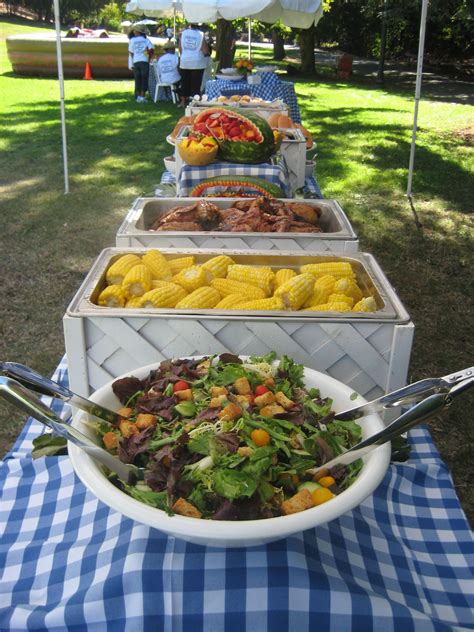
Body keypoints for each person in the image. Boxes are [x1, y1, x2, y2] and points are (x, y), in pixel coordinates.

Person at [178, 23, 209, 107]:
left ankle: (183, 101)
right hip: (197, 62)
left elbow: (180, 48)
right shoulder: (201, 34)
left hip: (185, 61)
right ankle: (195, 102)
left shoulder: (183, 33)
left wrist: (184, 55)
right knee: (196, 84)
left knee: (184, 82)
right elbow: (205, 50)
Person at [128, 26, 155, 103]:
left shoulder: (132, 40)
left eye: (135, 31)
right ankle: (142, 96)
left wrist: (134, 59)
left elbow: (131, 52)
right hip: (144, 61)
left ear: (138, 32)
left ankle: (138, 96)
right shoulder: (146, 40)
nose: (134, 32)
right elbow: (151, 50)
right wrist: (148, 58)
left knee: (137, 79)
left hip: (136, 61)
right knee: (144, 79)